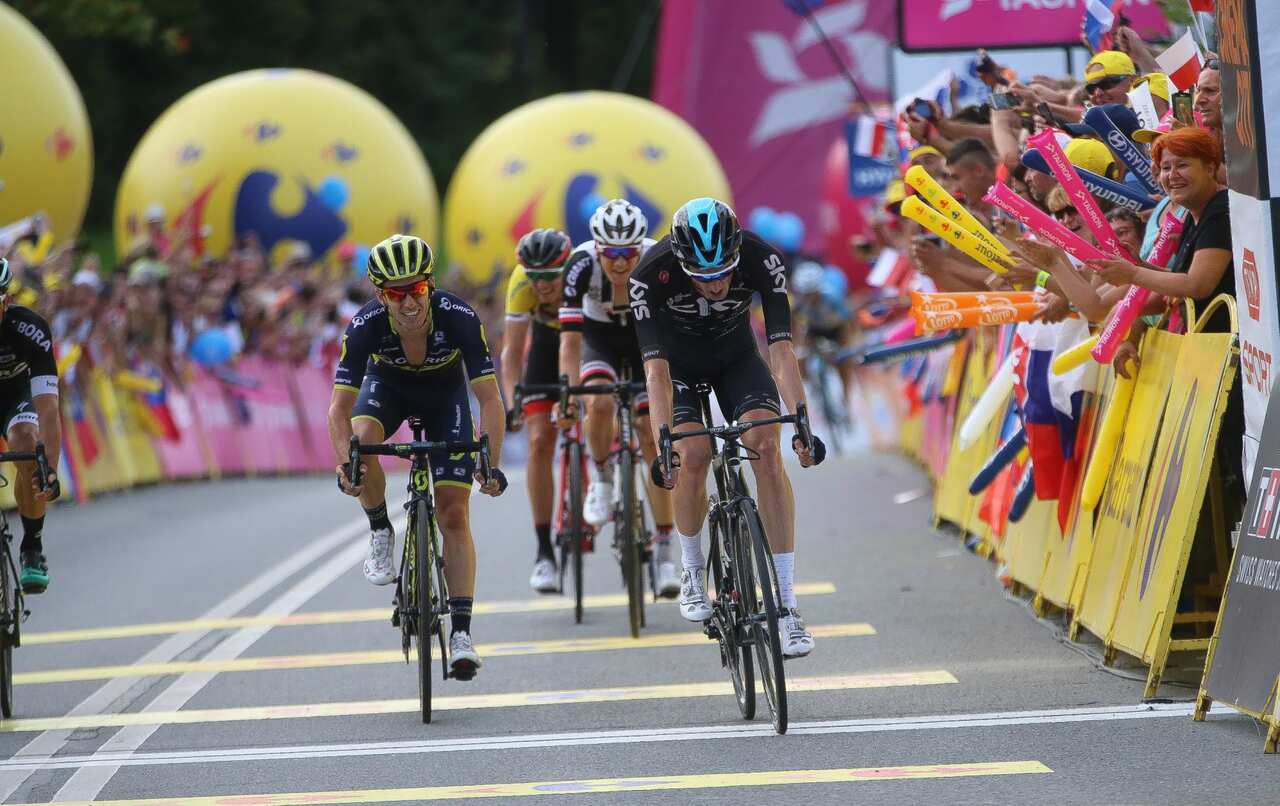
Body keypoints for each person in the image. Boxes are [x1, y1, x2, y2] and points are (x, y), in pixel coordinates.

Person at [631, 198, 825, 658]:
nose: (715, 285)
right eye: (702, 277)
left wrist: (801, 422)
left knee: (768, 450)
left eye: (723, 273)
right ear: (681, 263)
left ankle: (787, 607)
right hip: (675, 369)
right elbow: (655, 374)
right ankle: (693, 570)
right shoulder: (648, 274)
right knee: (692, 454)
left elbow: (780, 352)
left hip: (737, 360)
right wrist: (665, 445)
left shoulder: (765, 259)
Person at [328, 234, 507, 679]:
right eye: (396, 293)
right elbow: (338, 409)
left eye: (418, 290)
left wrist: (491, 462)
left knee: (453, 515)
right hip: (386, 390)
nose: (409, 303)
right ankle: (381, 530)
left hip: (445, 399)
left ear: (430, 285)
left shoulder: (461, 318)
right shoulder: (365, 324)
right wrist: (345, 464)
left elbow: (490, 400)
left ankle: (462, 633)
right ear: (379, 295)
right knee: (361, 439)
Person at [558, 200, 680, 597]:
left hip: (645, 338)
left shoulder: (657, 257)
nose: (621, 262)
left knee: (650, 434)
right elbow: (570, 340)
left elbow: (676, 323)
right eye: (612, 254)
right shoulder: (579, 265)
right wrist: (566, 391)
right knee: (599, 401)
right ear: (597, 249)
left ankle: (664, 552)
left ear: (639, 248)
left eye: (629, 253)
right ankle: (603, 477)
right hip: (600, 341)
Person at [500, 228, 573, 593]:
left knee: (604, 405)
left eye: (550, 277)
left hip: (588, 342)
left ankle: (607, 478)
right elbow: (511, 356)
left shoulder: (582, 272)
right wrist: (514, 401)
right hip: (545, 346)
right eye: (535, 277)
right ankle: (545, 551)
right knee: (541, 439)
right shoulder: (521, 283)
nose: (542, 285)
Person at [0, 259, 61, 593]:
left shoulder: (29, 329)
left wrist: (49, 469)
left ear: (6, 301)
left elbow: (49, 411)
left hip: (17, 395)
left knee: (26, 445)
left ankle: (32, 546)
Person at [790, 260, 855, 404]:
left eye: (812, 293)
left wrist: (848, 342)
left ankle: (845, 394)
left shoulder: (832, 297)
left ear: (818, 289)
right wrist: (795, 343)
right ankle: (812, 386)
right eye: (805, 294)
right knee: (800, 357)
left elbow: (848, 320)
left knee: (844, 359)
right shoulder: (798, 303)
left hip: (836, 329)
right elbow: (793, 323)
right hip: (814, 330)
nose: (809, 298)